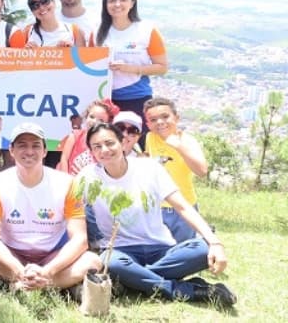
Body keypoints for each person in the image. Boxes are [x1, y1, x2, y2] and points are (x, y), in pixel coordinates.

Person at [78, 123, 235, 306]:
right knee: (111, 263)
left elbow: (183, 207)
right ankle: (186, 290)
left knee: (203, 249)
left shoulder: (150, 169)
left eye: (109, 143)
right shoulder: (87, 177)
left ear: (122, 142)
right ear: (92, 152)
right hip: (119, 251)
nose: (104, 150)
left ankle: (134, 280)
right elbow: (71, 210)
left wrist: (214, 242)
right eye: (97, 146)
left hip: (161, 248)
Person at [0, 123, 100, 296]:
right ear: (11, 151)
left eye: (36, 145)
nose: (29, 151)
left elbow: (80, 239)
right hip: (12, 254)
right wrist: (18, 270)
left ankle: (24, 284)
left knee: (92, 261)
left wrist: (48, 271)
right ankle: (54, 285)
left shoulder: (67, 183)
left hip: (53, 254)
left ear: (44, 151)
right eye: (22, 145)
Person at [96, 0, 168, 129]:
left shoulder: (146, 30)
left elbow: (162, 67)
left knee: (137, 145)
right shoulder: (97, 30)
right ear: (105, 5)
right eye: (112, 0)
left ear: (132, 3)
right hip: (105, 100)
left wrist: (131, 68)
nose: (117, 4)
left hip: (136, 98)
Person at [143, 97, 208, 243]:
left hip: (184, 205)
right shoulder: (150, 137)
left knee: (183, 250)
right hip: (156, 207)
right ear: (148, 124)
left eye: (165, 116)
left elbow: (202, 171)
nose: (160, 122)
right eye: (153, 120)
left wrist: (179, 147)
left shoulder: (187, 141)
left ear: (176, 118)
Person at [57, 99, 119, 176]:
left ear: (107, 124)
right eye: (92, 117)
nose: (94, 122)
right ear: (86, 116)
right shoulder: (75, 136)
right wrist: (65, 180)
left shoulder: (106, 144)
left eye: (100, 120)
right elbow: (64, 158)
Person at [10, 0, 87, 48]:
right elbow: (20, 64)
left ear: (54, 2)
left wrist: (70, 52)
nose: (41, 7)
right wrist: (31, 55)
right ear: (32, 11)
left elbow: (83, 63)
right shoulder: (26, 33)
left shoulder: (74, 31)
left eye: (44, 1)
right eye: (35, 5)